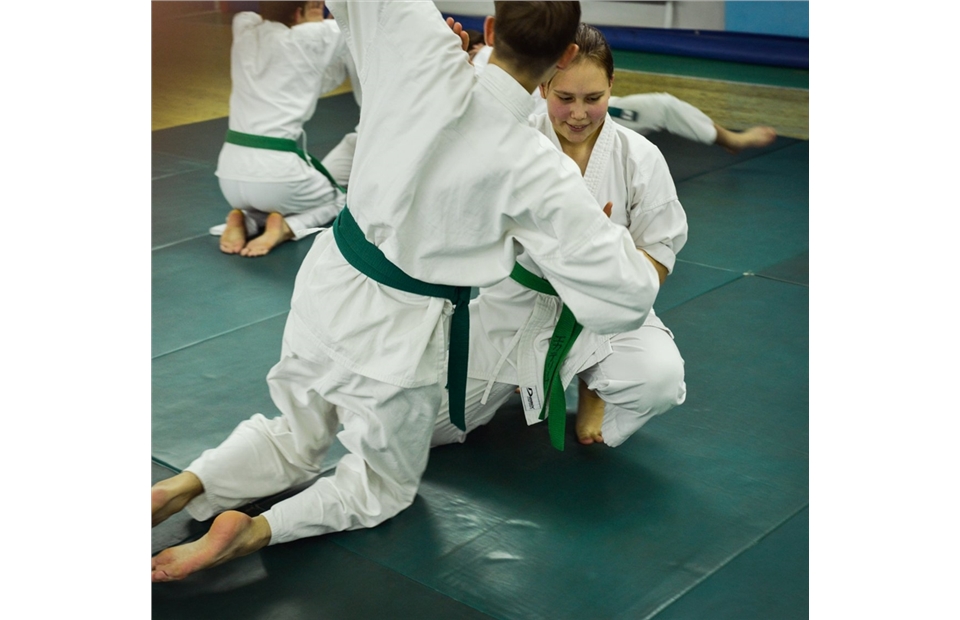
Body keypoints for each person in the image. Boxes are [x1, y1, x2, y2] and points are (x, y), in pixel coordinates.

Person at [151, 0, 664, 583]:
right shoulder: (541, 168)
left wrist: (448, 49)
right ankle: (257, 530)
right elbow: (627, 298)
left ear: (491, 28)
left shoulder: (419, 48)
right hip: (402, 334)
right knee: (381, 486)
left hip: (328, 284)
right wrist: (604, 234)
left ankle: (183, 484)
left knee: (295, 431)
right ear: (566, 56)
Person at [431, 23, 687, 450]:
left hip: (607, 316)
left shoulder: (640, 158)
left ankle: (593, 386)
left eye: (594, 98)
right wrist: (447, 77)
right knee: (426, 425)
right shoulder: (516, 142)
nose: (579, 113)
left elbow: (658, 252)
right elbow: (451, 161)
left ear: (612, 85)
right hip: (515, 309)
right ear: (544, 86)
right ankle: (529, 374)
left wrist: (601, 260)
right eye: (565, 98)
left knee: (658, 381)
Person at [212, 1, 358, 257]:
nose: (321, 11)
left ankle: (245, 219)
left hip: (228, 177)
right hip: (278, 175)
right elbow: (353, 24)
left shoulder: (244, 28)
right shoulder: (313, 37)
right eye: (315, 7)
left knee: (279, 197)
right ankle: (287, 228)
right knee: (345, 198)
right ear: (298, 13)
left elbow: (264, 14)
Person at [471, 37, 776, 155]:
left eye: (474, 48)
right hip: (540, 131)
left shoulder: (499, 53)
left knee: (663, 106)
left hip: (591, 113)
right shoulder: (469, 71)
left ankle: (731, 139)